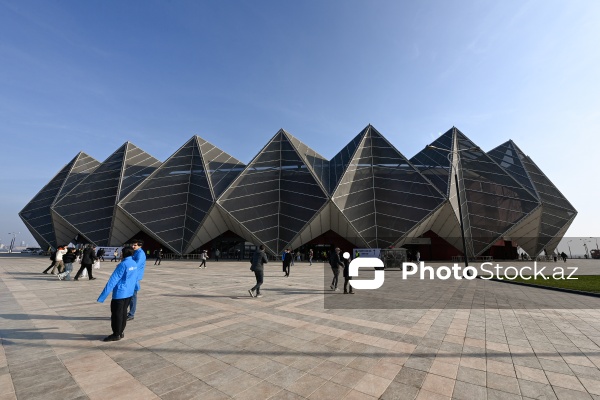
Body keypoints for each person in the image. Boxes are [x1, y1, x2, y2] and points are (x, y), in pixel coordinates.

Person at [97, 246, 138, 342]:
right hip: (129, 292)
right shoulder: (133, 263)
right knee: (123, 313)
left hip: (120, 293)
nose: (120, 254)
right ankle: (120, 332)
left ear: (123, 253)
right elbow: (135, 278)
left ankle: (116, 334)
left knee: (116, 314)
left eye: (121, 252)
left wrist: (102, 296)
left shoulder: (123, 265)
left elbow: (113, 280)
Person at [127, 239, 146, 321]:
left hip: (134, 276)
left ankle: (131, 314)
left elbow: (135, 265)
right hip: (131, 276)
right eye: (133, 245)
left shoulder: (140, 254)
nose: (133, 246)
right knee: (130, 295)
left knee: (133, 296)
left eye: (135, 245)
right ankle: (129, 313)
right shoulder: (136, 252)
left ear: (140, 246)